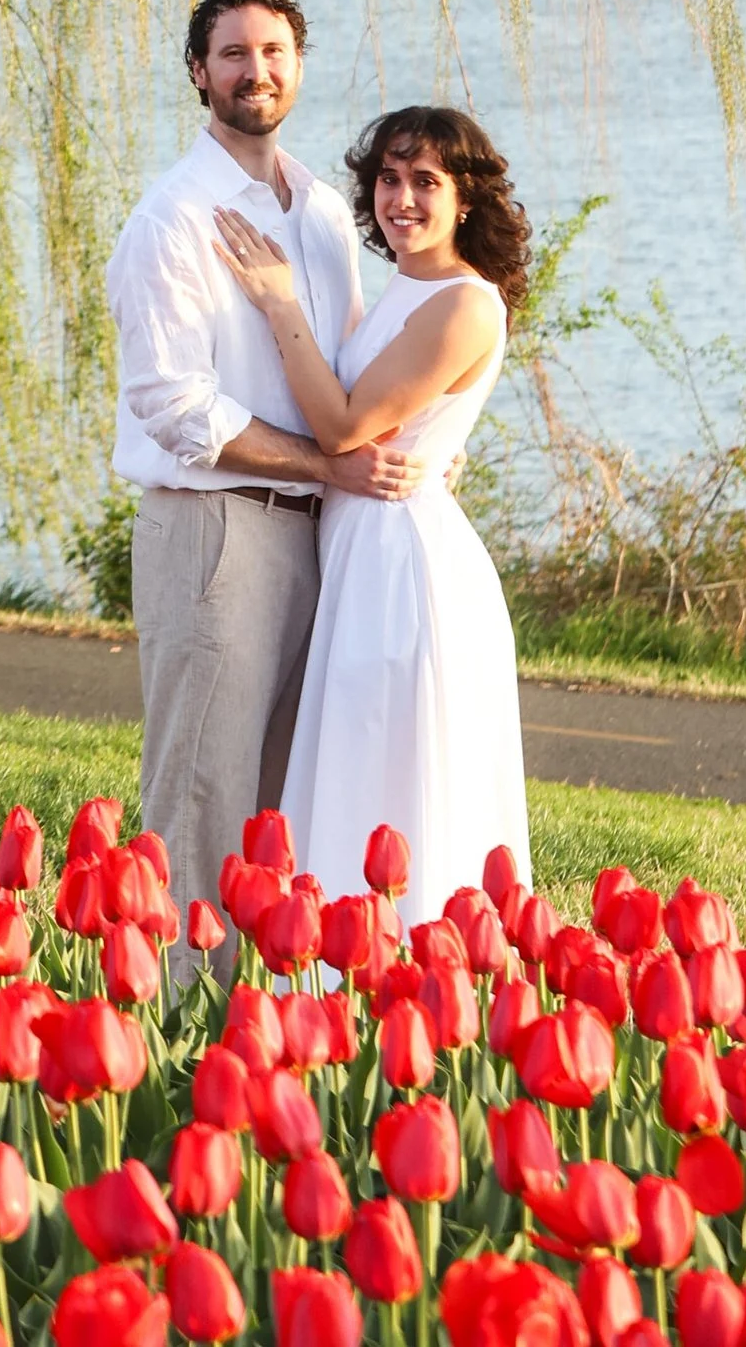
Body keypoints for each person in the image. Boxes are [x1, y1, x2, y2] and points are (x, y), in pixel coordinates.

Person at [105, 0, 421, 974]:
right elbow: (172, 405)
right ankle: (176, 1018)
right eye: (234, 54)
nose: (257, 71)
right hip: (216, 534)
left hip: (317, 535)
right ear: (199, 74)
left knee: (286, 799)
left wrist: (417, 442)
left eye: (274, 51)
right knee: (202, 793)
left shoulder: (322, 212)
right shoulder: (173, 219)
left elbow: (347, 373)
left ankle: (259, 1024)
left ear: (298, 65)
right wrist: (326, 464)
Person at [212, 102, 531, 920]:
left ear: (467, 198)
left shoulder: (465, 304)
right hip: (364, 550)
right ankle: (344, 960)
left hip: (404, 570)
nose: (402, 199)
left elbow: (344, 426)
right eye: (389, 179)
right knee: (353, 765)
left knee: (390, 771)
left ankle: (409, 960)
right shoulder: (407, 289)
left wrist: (281, 306)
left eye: (426, 181)